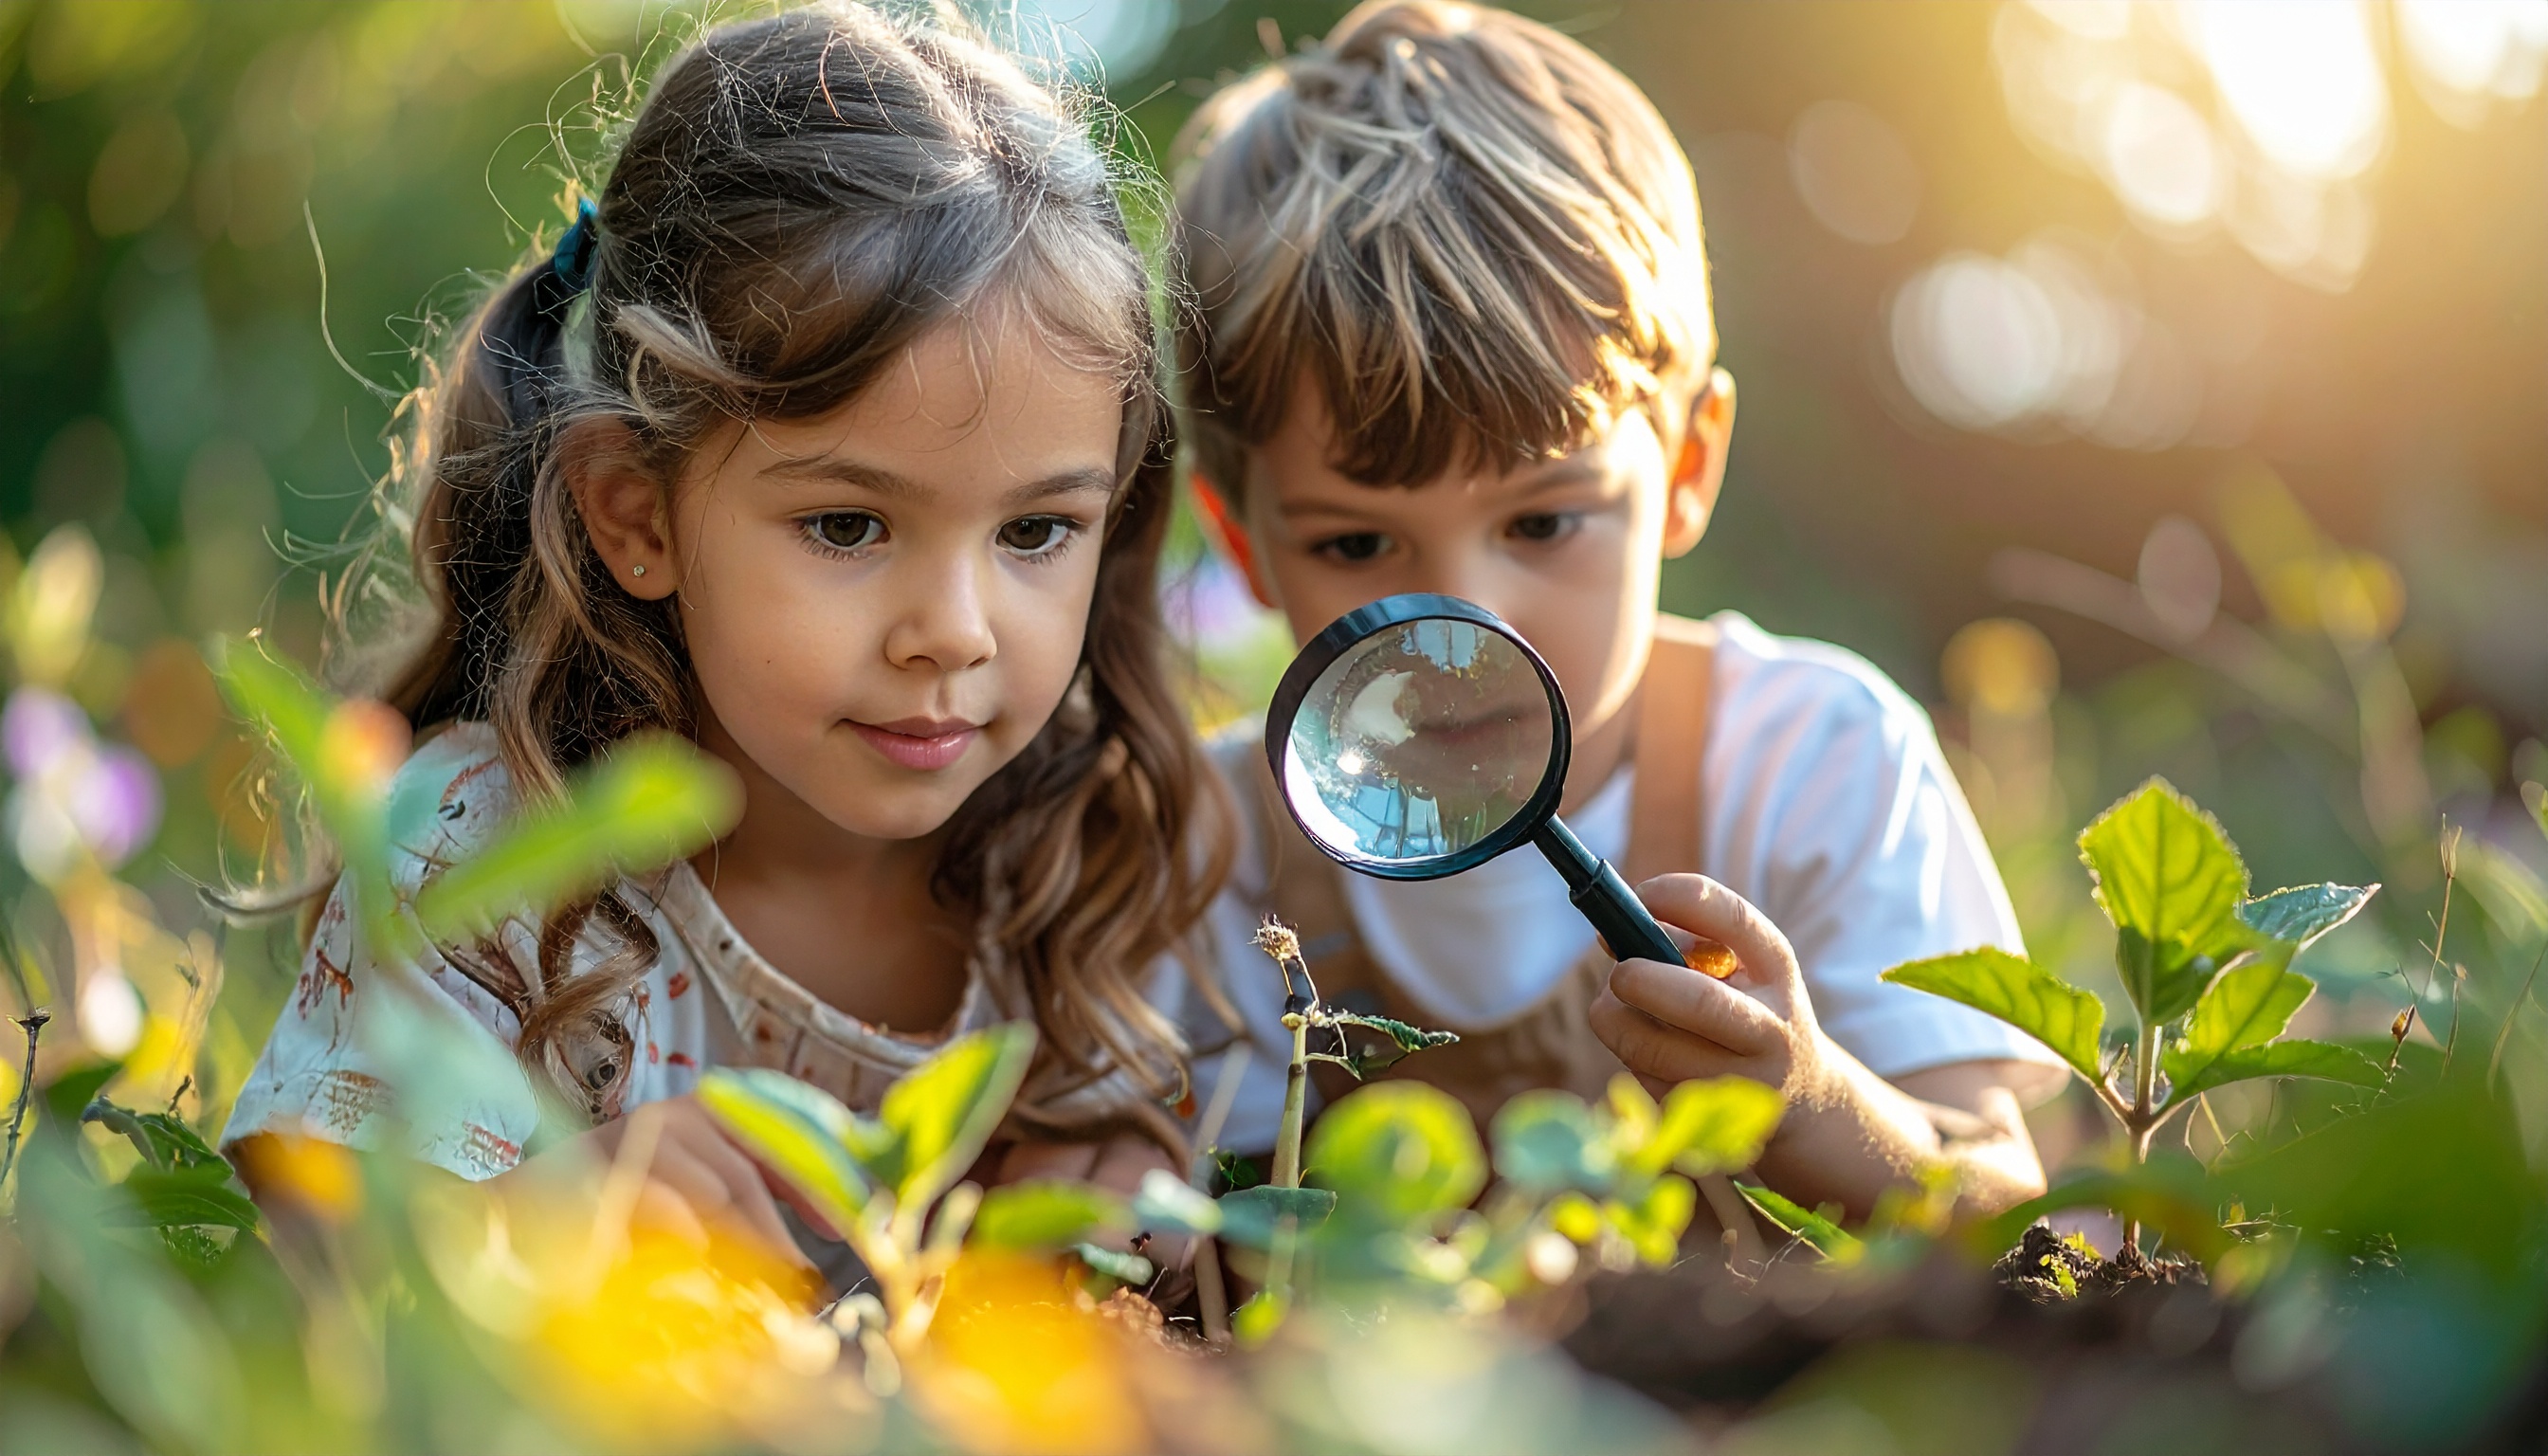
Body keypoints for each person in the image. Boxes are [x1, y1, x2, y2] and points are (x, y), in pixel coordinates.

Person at [223, 7, 1226, 1270]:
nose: (955, 635)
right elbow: (291, 1254)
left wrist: (1134, 1172)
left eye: (1035, 533)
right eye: (850, 525)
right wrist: (548, 1219)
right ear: (638, 515)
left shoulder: (1087, 857)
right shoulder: (500, 860)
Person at [1168, 0, 2066, 1219]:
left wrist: (1812, 1098)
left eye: (1542, 523)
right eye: (1358, 540)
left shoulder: (1814, 764)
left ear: (1689, 467)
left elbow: (2012, 1210)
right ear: (1247, 547)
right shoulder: (1211, 857)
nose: (1464, 623)